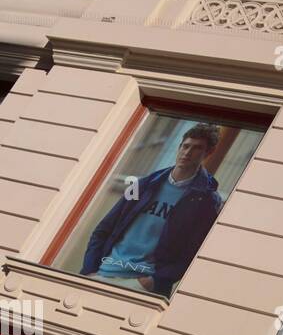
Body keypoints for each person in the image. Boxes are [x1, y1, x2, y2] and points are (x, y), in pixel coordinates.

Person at [82, 123, 223, 296]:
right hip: (104, 273)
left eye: (197, 148)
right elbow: (103, 230)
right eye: (186, 146)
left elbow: (192, 253)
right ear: (179, 147)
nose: (187, 153)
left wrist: (153, 282)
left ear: (208, 153)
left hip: (142, 285)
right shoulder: (143, 185)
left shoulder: (206, 200)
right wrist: (89, 271)